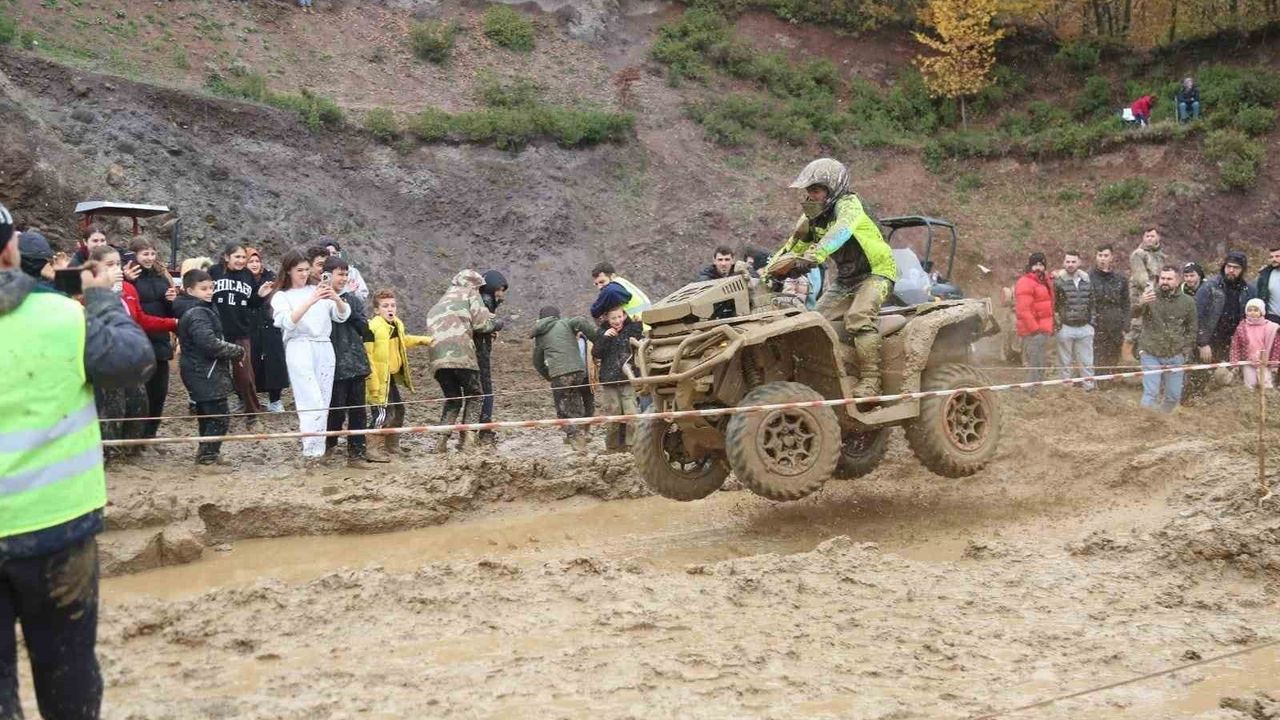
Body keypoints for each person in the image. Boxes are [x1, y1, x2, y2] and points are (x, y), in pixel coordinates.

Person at [0, 202, 154, 720]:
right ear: (10, 251)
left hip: (55, 528)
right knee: (67, 672)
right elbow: (134, 362)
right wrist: (104, 300)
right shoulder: (66, 317)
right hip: (57, 530)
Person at [766, 158, 897, 396]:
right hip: (847, 279)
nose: (809, 197)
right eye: (808, 191)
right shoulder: (811, 219)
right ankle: (840, 372)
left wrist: (815, 254)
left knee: (858, 317)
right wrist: (768, 272)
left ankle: (872, 382)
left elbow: (843, 230)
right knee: (813, 324)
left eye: (815, 190)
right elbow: (791, 247)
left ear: (832, 189)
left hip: (877, 273)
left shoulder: (849, 205)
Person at [89, 245, 170, 455]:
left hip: (128, 357)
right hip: (104, 358)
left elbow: (140, 318)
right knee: (111, 407)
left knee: (138, 403)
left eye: (118, 264)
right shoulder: (88, 292)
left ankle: (131, 448)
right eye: (109, 265)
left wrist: (173, 323)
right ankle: (108, 452)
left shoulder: (128, 289)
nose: (116, 269)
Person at [271, 248, 351, 462]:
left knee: (323, 400)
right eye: (299, 270)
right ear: (288, 271)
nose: (304, 274)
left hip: (324, 346)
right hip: (299, 346)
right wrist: (311, 300)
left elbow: (342, 315)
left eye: (307, 269)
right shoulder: (282, 296)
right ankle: (310, 450)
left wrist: (334, 297)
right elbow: (287, 322)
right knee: (310, 399)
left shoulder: (318, 289)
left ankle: (318, 448)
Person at [174, 269, 246, 467]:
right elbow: (209, 344)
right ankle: (208, 458)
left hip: (203, 370)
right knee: (218, 417)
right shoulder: (198, 313)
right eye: (203, 289)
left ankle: (207, 454)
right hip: (204, 371)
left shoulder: (201, 310)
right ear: (189, 290)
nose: (209, 292)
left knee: (208, 416)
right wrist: (236, 350)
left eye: (211, 288)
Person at [426, 270, 499, 453]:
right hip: (462, 355)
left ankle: (440, 443)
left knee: (452, 399)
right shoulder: (470, 294)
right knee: (475, 395)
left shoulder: (440, 302)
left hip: (437, 359)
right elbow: (482, 324)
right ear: (475, 285)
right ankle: (469, 440)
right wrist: (496, 324)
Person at [323, 256, 382, 464]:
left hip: (356, 363)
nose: (344, 278)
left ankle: (356, 454)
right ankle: (327, 449)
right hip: (333, 365)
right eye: (340, 274)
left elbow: (364, 329)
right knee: (335, 412)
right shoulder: (319, 300)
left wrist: (346, 308)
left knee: (358, 412)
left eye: (346, 274)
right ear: (328, 275)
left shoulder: (354, 300)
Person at [365, 289, 432, 457]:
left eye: (393, 305)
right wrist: (372, 381)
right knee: (383, 414)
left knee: (399, 411)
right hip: (378, 378)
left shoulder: (396, 324)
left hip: (390, 378)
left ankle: (391, 445)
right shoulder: (373, 327)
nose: (390, 309)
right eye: (385, 306)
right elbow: (368, 355)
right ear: (376, 310)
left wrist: (424, 340)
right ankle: (371, 448)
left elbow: (403, 341)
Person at [209, 241, 271, 425]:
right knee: (216, 373)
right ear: (227, 257)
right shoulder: (214, 271)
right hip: (217, 330)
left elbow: (252, 302)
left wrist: (260, 295)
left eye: (243, 257)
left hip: (240, 331)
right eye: (237, 257)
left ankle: (252, 411)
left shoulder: (247, 275)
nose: (241, 261)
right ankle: (215, 413)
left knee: (244, 374)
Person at [127, 238, 179, 441]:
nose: (149, 258)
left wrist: (171, 301)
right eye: (144, 254)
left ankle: (151, 433)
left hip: (159, 338)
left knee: (159, 391)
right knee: (140, 391)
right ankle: (135, 435)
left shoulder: (161, 276)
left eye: (152, 253)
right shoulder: (129, 277)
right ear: (135, 255)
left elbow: (169, 310)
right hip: (137, 338)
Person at [532, 306, 598, 452]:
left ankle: (575, 438)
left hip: (560, 374)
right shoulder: (566, 323)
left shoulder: (541, 333)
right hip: (579, 372)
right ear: (557, 316)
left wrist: (549, 376)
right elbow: (580, 320)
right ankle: (580, 434)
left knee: (563, 408)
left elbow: (537, 361)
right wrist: (596, 338)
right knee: (575, 401)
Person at [1135, 266, 1198, 411]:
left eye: (1169, 279)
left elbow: (1192, 328)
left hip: (1175, 354)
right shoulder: (1150, 297)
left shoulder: (1188, 302)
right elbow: (1132, 314)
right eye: (1162, 278)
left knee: (1173, 396)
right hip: (1151, 352)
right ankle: (1143, 425)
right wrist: (1141, 302)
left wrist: (1185, 350)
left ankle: (1163, 423)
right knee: (1151, 393)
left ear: (1177, 281)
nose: (1165, 282)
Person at [592, 306, 642, 452]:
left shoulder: (631, 329)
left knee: (630, 412)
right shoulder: (602, 332)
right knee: (613, 413)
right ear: (607, 319)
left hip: (628, 378)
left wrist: (638, 323)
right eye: (613, 318)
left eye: (620, 317)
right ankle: (613, 447)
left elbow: (640, 338)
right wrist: (605, 338)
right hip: (610, 380)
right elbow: (596, 352)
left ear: (625, 316)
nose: (617, 320)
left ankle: (632, 445)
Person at [1196, 251, 1256, 366]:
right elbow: (1197, 315)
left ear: (1243, 270)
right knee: (1203, 379)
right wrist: (1202, 343)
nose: (1231, 270)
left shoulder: (1249, 291)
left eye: (1236, 268)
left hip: (1235, 344)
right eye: (1229, 266)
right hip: (1210, 341)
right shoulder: (1210, 287)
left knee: (1230, 381)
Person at [245, 248, 287, 412]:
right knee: (250, 363)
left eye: (257, 261)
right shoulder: (242, 280)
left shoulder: (270, 277)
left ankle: (275, 400)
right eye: (251, 261)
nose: (254, 264)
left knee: (274, 363)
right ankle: (247, 399)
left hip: (270, 325)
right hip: (250, 326)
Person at [1122, 227, 1166, 362]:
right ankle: (1126, 357)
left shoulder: (1161, 256)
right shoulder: (1138, 254)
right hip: (1141, 295)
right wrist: (1153, 289)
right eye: (1147, 236)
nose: (1149, 239)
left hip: (1158, 295)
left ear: (1158, 238)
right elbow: (1141, 278)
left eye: (1152, 236)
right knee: (1137, 326)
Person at [1054, 251, 1096, 390]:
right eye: (1068, 261)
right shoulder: (1058, 282)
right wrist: (1058, 323)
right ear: (1063, 263)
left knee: (1087, 362)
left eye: (1073, 261)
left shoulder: (1086, 280)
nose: (1070, 264)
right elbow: (1054, 304)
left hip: (1085, 327)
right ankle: (1066, 391)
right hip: (1066, 327)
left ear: (1079, 263)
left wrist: (1092, 323)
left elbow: (1092, 303)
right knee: (1065, 362)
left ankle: (1089, 389)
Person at [476, 270, 508, 446]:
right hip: (479, 354)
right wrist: (497, 324)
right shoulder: (486, 301)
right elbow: (483, 326)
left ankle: (477, 431)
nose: (501, 295)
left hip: (478, 351)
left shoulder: (478, 301)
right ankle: (484, 431)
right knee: (486, 391)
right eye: (500, 290)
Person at [1014, 252, 1055, 384]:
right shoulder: (1025, 282)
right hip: (1033, 331)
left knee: (1040, 362)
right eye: (1035, 264)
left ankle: (1037, 389)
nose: (1038, 267)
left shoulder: (1045, 281)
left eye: (1041, 265)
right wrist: (1035, 330)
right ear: (1030, 266)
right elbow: (1023, 310)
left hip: (1043, 329)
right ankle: (1030, 391)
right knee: (1034, 364)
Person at [1089, 243, 1129, 370]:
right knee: (1096, 356)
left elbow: (1126, 302)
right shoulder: (1088, 277)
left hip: (1115, 323)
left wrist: (1126, 323)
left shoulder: (1120, 279)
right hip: (1097, 323)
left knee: (1113, 356)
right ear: (1096, 257)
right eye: (1100, 255)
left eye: (1106, 255)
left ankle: (1109, 382)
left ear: (1111, 257)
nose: (1102, 259)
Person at [1230, 299, 1280, 389]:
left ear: (1262, 312)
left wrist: (1274, 365)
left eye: (1255, 310)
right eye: (1249, 310)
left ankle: (1266, 402)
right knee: (1249, 386)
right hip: (1248, 362)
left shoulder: (1270, 328)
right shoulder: (1241, 328)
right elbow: (1235, 346)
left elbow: (1276, 347)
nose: (1252, 312)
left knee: (1266, 386)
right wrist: (1235, 363)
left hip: (1265, 363)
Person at [697, 245, 740, 320]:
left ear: (733, 261)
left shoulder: (739, 271)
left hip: (738, 315)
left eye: (727, 259)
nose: (723, 264)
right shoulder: (707, 277)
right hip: (715, 317)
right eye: (720, 260)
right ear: (714, 261)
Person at [1255, 246, 1280, 325]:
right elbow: (1259, 295)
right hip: (1272, 318)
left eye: (1277, 256)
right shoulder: (1265, 275)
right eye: (1271, 257)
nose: (1274, 259)